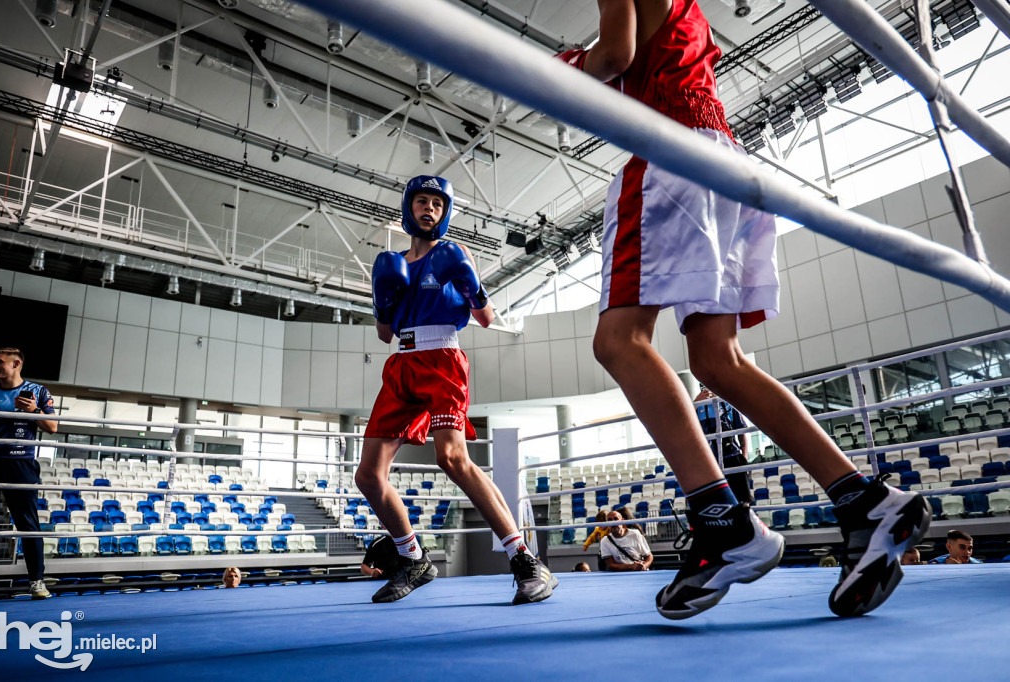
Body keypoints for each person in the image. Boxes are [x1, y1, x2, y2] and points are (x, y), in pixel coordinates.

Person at [559, 0, 930, 619]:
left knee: (618, 341)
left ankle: (721, 520)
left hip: (668, 152)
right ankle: (863, 499)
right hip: (725, 157)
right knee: (717, 359)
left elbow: (614, 56)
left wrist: (557, 65)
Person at [356, 175, 557, 605]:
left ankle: (524, 559)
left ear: (444, 214)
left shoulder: (453, 255)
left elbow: (485, 317)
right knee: (368, 476)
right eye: (422, 202)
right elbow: (383, 333)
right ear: (409, 208)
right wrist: (382, 300)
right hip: (401, 364)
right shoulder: (392, 264)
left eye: (438, 204)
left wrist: (470, 282)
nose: (430, 209)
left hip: (443, 359)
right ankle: (413, 559)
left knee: (451, 456)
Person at [0, 348, 58, 600]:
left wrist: (33, 411)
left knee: (29, 526)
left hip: (21, 464)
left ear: (16, 363)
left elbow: (52, 427)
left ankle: (37, 582)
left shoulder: (38, 391)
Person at [695, 386, 752, 504]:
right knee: (717, 501)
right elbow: (682, 419)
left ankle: (744, 520)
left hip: (733, 456)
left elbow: (742, 432)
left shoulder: (728, 404)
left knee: (743, 499)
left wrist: (744, 457)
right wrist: (695, 403)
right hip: (710, 460)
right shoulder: (698, 407)